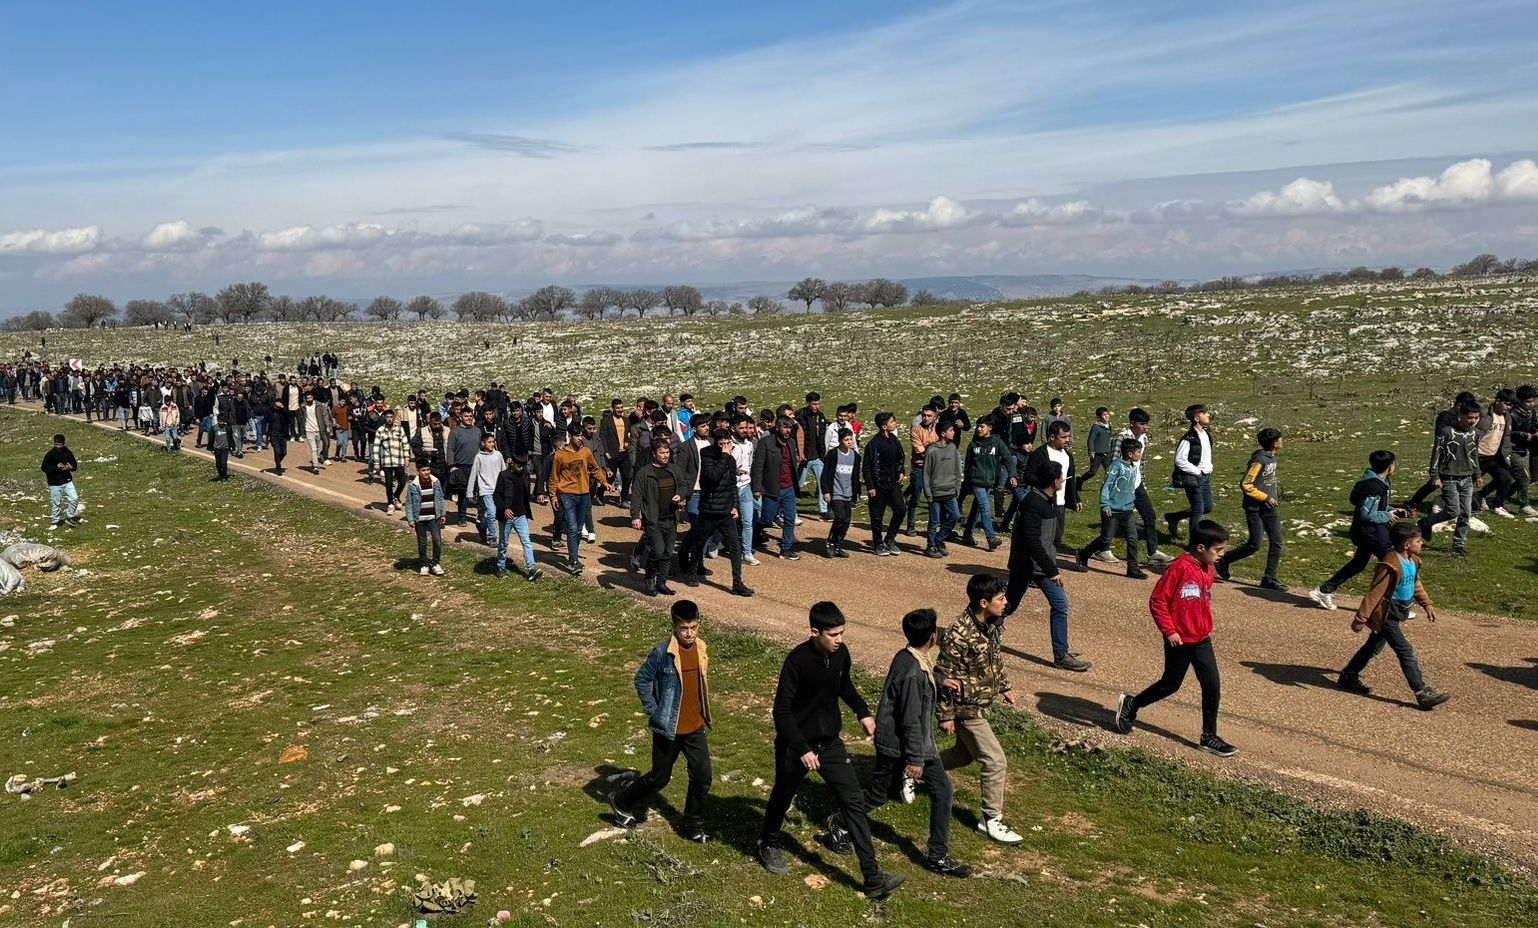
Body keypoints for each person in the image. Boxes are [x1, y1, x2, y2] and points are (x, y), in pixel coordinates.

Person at [757, 602, 904, 901]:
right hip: (796, 746)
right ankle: (768, 843)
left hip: (830, 744)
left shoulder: (841, 655)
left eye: (842, 633)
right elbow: (781, 711)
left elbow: (844, 685)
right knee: (783, 794)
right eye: (833, 634)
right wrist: (801, 748)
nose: (839, 639)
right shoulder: (797, 661)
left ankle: (873, 878)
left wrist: (862, 712)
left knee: (853, 802)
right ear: (815, 632)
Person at [827, 607, 973, 879]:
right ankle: (842, 821)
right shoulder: (912, 673)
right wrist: (916, 760)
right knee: (881, 794)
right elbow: (910, 720)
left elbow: (925, 677)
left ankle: (937, 854)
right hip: (902, 746)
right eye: (937, 629)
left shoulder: (910, 657)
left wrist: (942, 681)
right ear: (931, 636)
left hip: (907, 744)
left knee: (940, 791)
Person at [1112, 519, 1235, 757]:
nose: (1222, 555)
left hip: (1201, 638)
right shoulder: (1179, 568)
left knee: (1212, 685)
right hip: (1179, 640)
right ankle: (1132, 704)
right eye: (1218, 550)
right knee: (1170, 684)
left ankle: (1209, 736)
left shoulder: (1208, 569)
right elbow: (1158, 601)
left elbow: (1200, 598)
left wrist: (1204, 623)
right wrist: (1170, 631)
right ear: (1200, 548)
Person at [608, 600, 715, 842]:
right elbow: (642, 680)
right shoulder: (662, 653)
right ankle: (621, 800)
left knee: (702, 775)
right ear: (674, 627)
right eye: (684, 629)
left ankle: (692, 825)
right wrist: (654, 711)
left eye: (694, 627)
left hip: (695, 727)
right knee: (660, 778)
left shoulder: (701, 648)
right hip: (669, 727)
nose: (689, 633)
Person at [937, 574, 1023, 845]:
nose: (1005, 602)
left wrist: (1005, 686)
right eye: (1000, 598)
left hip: (982, 702)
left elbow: (994, 658)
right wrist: (946, 715)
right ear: (984, 602)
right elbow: (943, 675)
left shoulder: (992, 624)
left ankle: (913, 768)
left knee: (963, 756)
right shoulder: (959, 634)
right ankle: (990, 820)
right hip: (965, 708)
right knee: (995, 761)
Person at [1337, 522, 1451, 709]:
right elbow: (1374, 594)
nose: (1422, 543)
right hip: (1387, 615)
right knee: (1405, 651)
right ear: (1407, 545)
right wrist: (1360, 618)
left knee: (1372, 647)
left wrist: (1427, 604)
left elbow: (1416, 584)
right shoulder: (1389, 565)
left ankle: (1349, 675)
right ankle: (1422, 692)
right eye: (1418, 541)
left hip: (1400, 612)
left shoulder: (1413, 561)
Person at [1004, 462, 1090, 672]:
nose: (1062, 481)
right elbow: (1033, 541)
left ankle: (977, 627)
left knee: (1008, 605)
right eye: (1061, 478)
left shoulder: (1043, 499)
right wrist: (1052, 570)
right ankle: (1061, 655)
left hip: (1030, 565)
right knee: (1060, 605)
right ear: (1054, 481)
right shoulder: (1034, 503)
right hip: (1034, 566)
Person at [1309, 450, 1406, 611]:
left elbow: (1370, 506)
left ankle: (1325, 590)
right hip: (1372, 533)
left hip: (1369, 531)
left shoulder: (1374, 481)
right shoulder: (1373, 486)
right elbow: (1367, 513)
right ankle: (1396, 606)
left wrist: (1391, 510)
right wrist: (1387, 516)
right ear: (1390, 466)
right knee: (1395, 566)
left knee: (1358, 564)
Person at [678, 429, 754, 597]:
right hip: (709, 510)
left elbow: (732, 485)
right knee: (700, 542)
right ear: (716, 444)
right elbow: (712, 477)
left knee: (735, 547)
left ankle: (737, 583)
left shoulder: (730, 460)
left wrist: (735, 506)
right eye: (722, 444)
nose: (726, 447)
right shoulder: (707, 458)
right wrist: (725, 456)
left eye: (728, 444)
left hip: (726, 511)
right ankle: (692, 570)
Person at [1217, 428, 1287, 591]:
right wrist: (1266, 497)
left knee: (1277, 542)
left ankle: (1269, 578)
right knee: (1254, 544)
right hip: (1255, 508)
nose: (1282, 441)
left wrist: (1273, 497)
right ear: (1275, 443)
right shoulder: (1260, 460)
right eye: (1280, 439)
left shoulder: (1271, 458)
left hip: (1270, 508)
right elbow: (1245, 484)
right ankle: (1225, 559)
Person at [1417, 396, 1481, 557]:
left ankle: (1459, 544)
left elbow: (1474, 455)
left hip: (1467, 478)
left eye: (1476, 418)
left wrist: (1477, 473)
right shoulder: (1446, 432)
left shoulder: (1475, 434)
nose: (1473, 421)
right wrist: (1435, 476)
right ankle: (1426, 522)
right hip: (1449, 477)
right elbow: (1436, 455)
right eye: (1469, 417)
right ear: (1461, 415)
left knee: (1466, 512)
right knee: (1453, 510)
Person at [1077, 437, 1146, 579]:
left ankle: (1133, 568)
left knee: (1133, 539)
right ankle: (1083, 554)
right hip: (1112, 510)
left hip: (1127, 510)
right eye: (1138, 452)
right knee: (1106, 539)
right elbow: (1107, 485)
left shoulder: (1133, 467)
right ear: (1130, 454)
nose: (1140, 454)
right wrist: (1105, 504)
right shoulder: (1116, 466)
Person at [550, 424, 612, 575]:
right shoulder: (560, 455)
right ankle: (574, 561)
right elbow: (554, 477)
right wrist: (553, 496)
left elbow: (595, 468)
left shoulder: (586, 451)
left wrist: (604, 482)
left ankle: (574, 555)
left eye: (581, 435)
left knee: (578, 529)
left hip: (584, 494)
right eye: (577, 436)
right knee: (571, 528)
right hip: (566, 495)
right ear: (570, 436)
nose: (580, 438)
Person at [630, 441, 687, 596]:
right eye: (662, 453)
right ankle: (649, 578)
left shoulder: (674, 470)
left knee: (668, 552)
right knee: (659, 551)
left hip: (671, 518)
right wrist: (635, 516)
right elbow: (636, 496)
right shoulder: (645, 472)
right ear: (654, 454)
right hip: (653, 520)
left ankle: (661, 582)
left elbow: (683, 485)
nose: (665, 456)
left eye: (667, 452)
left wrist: (680, 495)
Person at [1118, 408, 1174, 565]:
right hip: (1123, 486)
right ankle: (1101, 548)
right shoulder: (1121, 437)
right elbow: (1114, 461)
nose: (1145, 427)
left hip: (1137, 484)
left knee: (1149, 515)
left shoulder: (1144, 439)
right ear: (1132, 423)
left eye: (1146, 424)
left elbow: (1140, 464)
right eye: (1142, 424)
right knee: (1116, 519)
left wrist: (1143, 482)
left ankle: (1153, 552)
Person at [958, 416, 1013, 549]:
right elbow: (968, 465)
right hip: (976, 482)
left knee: (977, 508)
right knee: (985, 507)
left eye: (982, 426)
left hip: (989, 482)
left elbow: (1008, 459)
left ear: (989, 428)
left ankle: (967, 533)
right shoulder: (973, 445)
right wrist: (967, 481)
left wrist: (1013, 475)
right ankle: (991, 537)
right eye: (978, 426)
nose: (978, 429)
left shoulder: (997, 443)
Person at [751, 416, 801, 560]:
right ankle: (756, 533)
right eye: (785, 427)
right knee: (767, 518)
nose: (788, 431)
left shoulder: (791, 442)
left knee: (790, 518)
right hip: (772, 488)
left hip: (789, 487)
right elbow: (758, 466)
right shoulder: (765, 442)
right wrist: (757, 487)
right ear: (778, 428)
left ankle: (786, 548)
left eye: (790, 428)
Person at [1165, 403, 1215, 543]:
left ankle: (1174, 517)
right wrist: (1197, 472)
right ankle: (1194, 544)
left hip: (1206, 476)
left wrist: (1208, 467)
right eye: (1204, 413)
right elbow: (1180, 460)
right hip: (1194, 478)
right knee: (1198, 509)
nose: (1208, 415)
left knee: (1207, 507)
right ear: (1196, 418)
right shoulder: (1189, 438)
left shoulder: (1206, 434)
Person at [492, 454, 542, 581]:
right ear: (512, 463)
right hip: (506, 516)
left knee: (527, 541)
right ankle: (501, 567)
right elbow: (496, 495)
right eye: (519, 465)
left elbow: (526, 495)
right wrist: (504, 509)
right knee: (503, 543)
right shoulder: (503, 475)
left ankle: (531, 569)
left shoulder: (525, 474)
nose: (521, 468)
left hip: (521, 515)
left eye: (523, 465)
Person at [863, 412, 908, 555]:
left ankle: (890, 539)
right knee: (877, 516)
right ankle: (878, 543)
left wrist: (901, 471)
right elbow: (867, 467)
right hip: (878, 484)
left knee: (901, 509)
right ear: (884, 426)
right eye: (892, 421)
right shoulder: (874, 444)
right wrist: (870, 486)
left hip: (892, 483)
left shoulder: (894, 439)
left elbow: (900, 457)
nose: (895, 423)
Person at [923, 419, 963, 557]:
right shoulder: (932, 450)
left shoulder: (953, 448)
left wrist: (957, 487)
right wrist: (928, 492)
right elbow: (926, 473)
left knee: (955, 516)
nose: (953, 432)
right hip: (935, 492)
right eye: (951, 430)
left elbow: (958, 470)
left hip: (950, 491)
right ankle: (931, 546)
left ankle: (939, 539)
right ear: (943, 433)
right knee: (934, 521)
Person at [819, 427, 862, 557]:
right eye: (846, 439)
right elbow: (825, 474)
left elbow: (855, 477)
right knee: (840, 517)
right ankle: (830, 542)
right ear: (840, 440)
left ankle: (838, 545)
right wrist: (826, 491)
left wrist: (857, 493)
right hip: (835, 492)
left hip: (848, 493)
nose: (849, 442)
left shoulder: (855, 456)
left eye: (850, 439)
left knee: (847, 521)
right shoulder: (833, 454)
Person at [1474, 389, 1516, 518]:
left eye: (1511, 405)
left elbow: (1506, 437)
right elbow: (1474, 433)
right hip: (1478, 456)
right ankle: (1442, 501)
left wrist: (1506, 453)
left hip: (1493, 457)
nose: (1509, 407)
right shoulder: (1484, 414)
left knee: (1505, 478)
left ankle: (1498, 505)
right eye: (1507, 404)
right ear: (1497, 400)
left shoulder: (1507, 417)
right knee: (1465, 484)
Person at [406, 456, 446, 576]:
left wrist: (442, 513)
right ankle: (423, 564)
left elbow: (440, 498)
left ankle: (435, 563)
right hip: (420, 519)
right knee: (422, 542)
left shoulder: (436, 482)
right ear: (418, 471)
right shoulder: (413, 485)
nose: (426, 472)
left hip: (434, 517)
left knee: (437, 541)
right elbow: (409, 502)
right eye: (423, 470)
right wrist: (410, 518)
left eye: (428, 470)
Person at [905, 404, 939, 536]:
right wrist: (934, 449)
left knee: (934, 498)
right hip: (919, 467)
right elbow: (919, 450)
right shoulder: (916, 430)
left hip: (934, 468)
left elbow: (942, 446)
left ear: (935, 416)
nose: (926, 418)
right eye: (924, 415)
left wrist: (929, 449)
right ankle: (911, 524)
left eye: (929, 415)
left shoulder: (939, 429)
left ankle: (934, 525)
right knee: (915, 497)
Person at [795, 392, 831, 518]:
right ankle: (791, 507)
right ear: (808, 403)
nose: (816, 406)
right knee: (799, 484)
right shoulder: (800, 415)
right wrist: (800, 453)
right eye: (814, 404)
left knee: (822, 483)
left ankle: (823, 510)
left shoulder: (820, 416)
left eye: (818, 404)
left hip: (817, 457)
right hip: (804, 457)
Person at [465, 432, 504, 545]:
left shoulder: (498, 455)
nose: (492, 444)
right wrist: (469, 492)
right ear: (483, 443)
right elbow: (473, 475)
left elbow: (504, 472)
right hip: (486, 491)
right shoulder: (479, 457)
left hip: (499, 490)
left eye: (493, 442)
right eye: (489, 442)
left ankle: (492, 530)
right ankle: (492, 537)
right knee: (491, 513)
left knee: (501, 514)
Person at [447, 409, 481, 525]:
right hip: (461, 467)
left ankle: (480, 516)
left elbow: (481, 447)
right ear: (461, 417)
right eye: (466, 416)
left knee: (479, 491)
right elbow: (450, 449)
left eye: (470, 416)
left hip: (476, 466)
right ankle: (462, 517)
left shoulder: (477, 431)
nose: (469, 418)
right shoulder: (455, 432)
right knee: (463, 493)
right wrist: (451, 465)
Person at [1508, 384, 1538, 516]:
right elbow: (1508, 432)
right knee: (1524, 477)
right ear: (1519, 400)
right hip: (1511, 449)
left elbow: (1533, 427)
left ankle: (1493, 497)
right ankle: (1524, 505)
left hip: (1524, 449)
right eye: (1528, 401)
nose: (1531, 404)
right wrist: (1524, 435)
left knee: (1516, 478)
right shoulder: (1511, 414)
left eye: (1533, 401)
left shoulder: (1532, 413)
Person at [375, 409, 413, 513]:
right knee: (388, 483)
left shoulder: (400, 429)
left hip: (399, 460)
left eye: (391, 417)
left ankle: (396, 495)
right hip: (387, 461)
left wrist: (406, 458)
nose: (389, 419)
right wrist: (376, 462)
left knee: (402, 481)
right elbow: (376, 447)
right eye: (387, 417)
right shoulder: (380, 430)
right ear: (384, 418)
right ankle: (390, 503)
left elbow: (405, 444)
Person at [41, 433, 81, 529]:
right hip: (54, 483)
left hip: (67, 480)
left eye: (60, 444)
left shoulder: (68, 452)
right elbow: (44, 468)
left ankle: (69, 516)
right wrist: (56, 467)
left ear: (63, 443)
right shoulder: (50, 455)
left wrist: (70, 467)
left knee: (74, 498)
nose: (59, 446)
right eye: (57, 444)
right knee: (56, 503)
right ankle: (55, 522)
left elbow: (74, 465)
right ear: (54, 444)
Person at [1075, 406, 1113, 492]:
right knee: (1092, 472)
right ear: (1099, 417)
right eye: (1104, 415)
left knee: (1110, 471)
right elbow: (1090, 440)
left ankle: (1108, 488)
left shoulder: (1109, 426)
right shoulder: (1096, 427)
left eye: (1107, 414)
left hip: (1106, 453)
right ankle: (1080, 480)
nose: (1107, 416)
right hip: (1097, 454)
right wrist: (1091, 452)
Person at [211, 415, 232, 480]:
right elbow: (211, 439)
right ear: (218, 421)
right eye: (220, 421)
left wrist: (232, 447)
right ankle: (221, 475)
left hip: (225, 448)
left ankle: (224, 476)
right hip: (217, 448)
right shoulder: (214, 428)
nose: (222, 423)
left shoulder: (228, 428)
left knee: (224, 464)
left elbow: (230, 438)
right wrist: (211, 448)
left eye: (223, 421)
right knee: (218, 465)